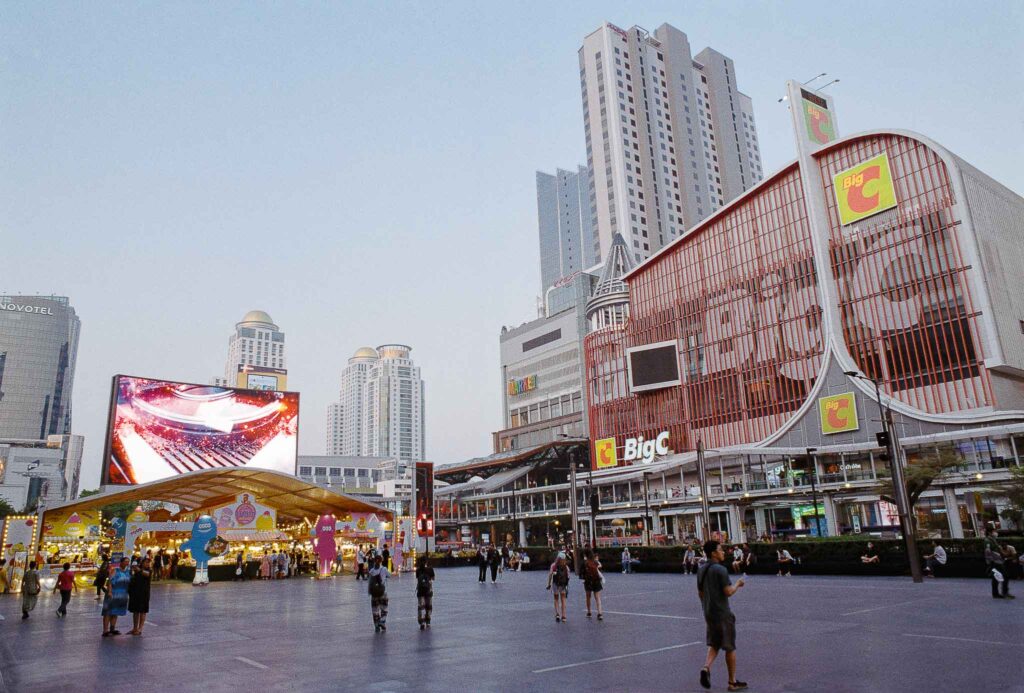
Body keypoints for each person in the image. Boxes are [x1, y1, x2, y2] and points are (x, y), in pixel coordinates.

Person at [697, 540, 747, 691]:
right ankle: (732, 682)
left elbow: (700, 593)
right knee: (729, 647)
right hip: (722, 613)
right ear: (713, 553)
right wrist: (738, 583)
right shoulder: (720, 570)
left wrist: (706, 607)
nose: (723, 552)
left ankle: (706, 668)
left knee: (715, 643)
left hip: (709, 613)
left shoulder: (702, 569)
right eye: (720, 550)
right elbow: (728, 592)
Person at [102, 557, 131, 637]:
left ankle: (112, 628)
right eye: (125, 561)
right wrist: (110, 591)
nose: (127, 563)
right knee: (108, 612)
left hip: (122, 594)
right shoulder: (115, 570)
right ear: (121, 562)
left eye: (128, 562)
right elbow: (110, 581)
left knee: (116, 611)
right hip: (113, 592)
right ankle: (105, 630)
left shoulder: (127, 572)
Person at [128, 556, 152, 635]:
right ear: (141, 563)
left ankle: (140, 628)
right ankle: (135, 628)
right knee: (135, 611)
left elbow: (147, 574)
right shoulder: (137, 570)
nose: (148, 564)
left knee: (142, 611)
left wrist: (139, 570)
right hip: (135, 593)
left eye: (148, 562)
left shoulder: (148, 570)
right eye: (146, 562)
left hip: (144, 594)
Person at [368, 556, 390, 632]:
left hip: (374, 594)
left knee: (375, 610)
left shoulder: (371, 571)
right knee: (384, 609)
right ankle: (382, 622)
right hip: (383, 592)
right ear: (381, 561)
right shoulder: (384, 569)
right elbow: (389, 575)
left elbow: (370, 581)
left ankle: (377, 626)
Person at [546, 552, 570, 623]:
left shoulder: (553, 565)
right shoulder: (566, 566)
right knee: (563, 600)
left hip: (555, 584)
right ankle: (564, 616)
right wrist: (566, 585)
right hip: (563, 585)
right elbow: (568, 577)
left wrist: (548, 584)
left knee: (556, 599)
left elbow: (550, 575)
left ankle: (557, 614)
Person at [581, 549, 604, 620]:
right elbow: (600, 566)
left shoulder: (585, 563)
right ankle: (600, 613)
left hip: (588, 581)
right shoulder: (595, 561)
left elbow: (582, 573)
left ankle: (589, 612)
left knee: (588, 597)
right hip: (596, 580)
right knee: (597, 597)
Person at [415, 555, 435, 630]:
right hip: (428, 590)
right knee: (428, 606)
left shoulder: (418, 570)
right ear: (426, 561)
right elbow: (433, 578)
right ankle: (428, 621)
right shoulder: (430, 569)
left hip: (420, 590)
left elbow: (418, 579)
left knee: (421, 606)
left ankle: (422, 622)